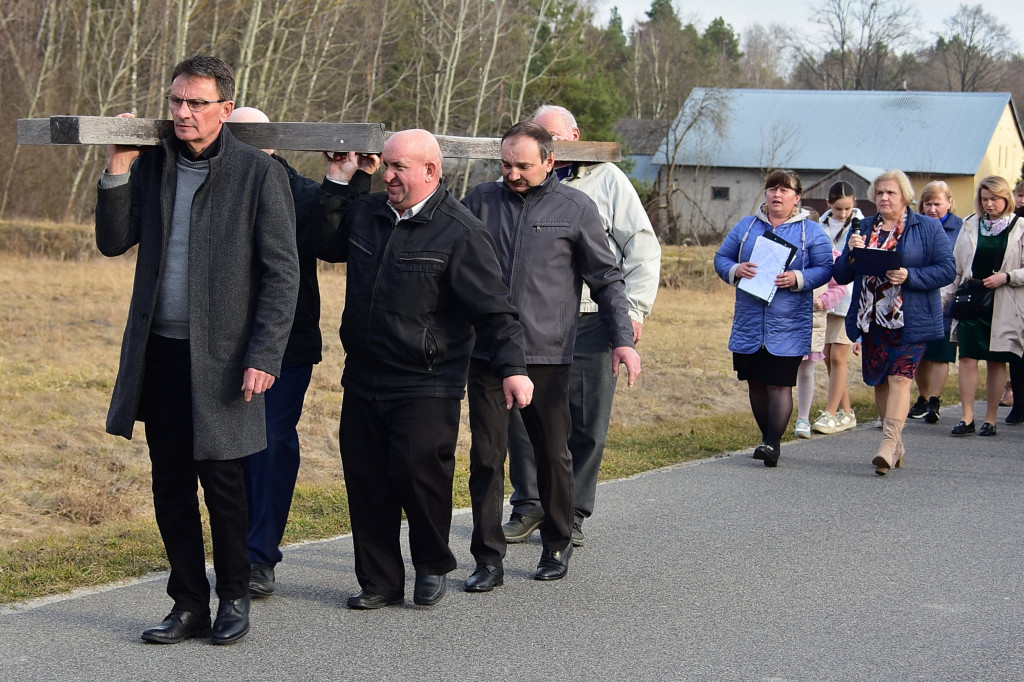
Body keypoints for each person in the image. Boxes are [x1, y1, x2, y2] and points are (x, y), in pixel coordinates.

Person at [95, 55, 299, 644]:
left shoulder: (258, 175)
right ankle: (188, 602)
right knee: (170, 482)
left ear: (225, 110)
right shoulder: (155, 164)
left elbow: (282, 274)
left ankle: (234, 595)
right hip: (160, 352)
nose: (182, 113)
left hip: (227, 359)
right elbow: (114, 241)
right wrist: (118, 163)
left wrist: (264, 354)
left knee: (225, 484)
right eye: (176, 101)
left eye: (196, 103)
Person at [316, 129, 533, 609]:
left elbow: (494, 312)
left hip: (427, 380)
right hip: (364, 375)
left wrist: (513, 368)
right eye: (386, 165)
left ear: (431, 172)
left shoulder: (461, 231)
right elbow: (322, 240)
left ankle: (431, 564)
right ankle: (380, 580)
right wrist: (340, 178)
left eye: (398, 167)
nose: (388, 175)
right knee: (367, 480)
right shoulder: (368, 213)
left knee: (419, 475)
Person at [462, 121, 640, 589]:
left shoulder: (576, 208)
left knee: (552, 454)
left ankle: (557, 543)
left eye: (523, 166)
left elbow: (606, 278)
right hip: (487, 354)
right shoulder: (480, 202)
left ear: (550, 162)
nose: (513, 174)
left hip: (548, 354)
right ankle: (488, 559)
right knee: (486, 457)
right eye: (505, 164)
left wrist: (623, 337)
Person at [503, 105, 661, 547]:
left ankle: (571, 510)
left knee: (587, 418)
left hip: (592, 318)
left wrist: (633, 311)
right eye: (542, 135)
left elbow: (642, 247)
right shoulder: (518, 182)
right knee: (523, 414)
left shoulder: (607, 180)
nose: (551, 143)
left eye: (557, 135)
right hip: (533, 321)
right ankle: (530, 504)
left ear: (576, 134)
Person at [225, 107, 338, 598]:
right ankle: (235, 545)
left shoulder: (300, 192)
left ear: (273, 145)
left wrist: (341, 178)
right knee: (227, 447)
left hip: (286, 345)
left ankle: (259, 555)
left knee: (270, 440)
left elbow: (331, 240)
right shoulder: (215, 185)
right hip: (219, 344)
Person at [833, 170, 955, 475]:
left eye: (891, 193)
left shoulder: (926, 227)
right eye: (879, 193)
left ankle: (887, 444)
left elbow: (947, 270)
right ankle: (897, 447)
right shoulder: (864, 227)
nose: (884, 198)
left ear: (905, 197)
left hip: (911, 318)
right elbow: (842, 275)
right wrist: (851, 254)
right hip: (872, 319)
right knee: (881, 380)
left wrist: (911, 276)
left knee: (901, 378)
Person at [714, 170, 833, 467]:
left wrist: (798, 277)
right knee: (755, 381)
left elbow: (826, 267)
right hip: (750, 320)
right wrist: (736, 270)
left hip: (789, 323)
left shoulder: (811, 230)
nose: (777, 195)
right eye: (772, 189)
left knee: (779, 383)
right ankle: (767, 437)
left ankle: (772, 443)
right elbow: (721, 258)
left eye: (784, 190)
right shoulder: (747, 226)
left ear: (797, 197)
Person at [942, 176, 1023, 437]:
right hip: (972, 300)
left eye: (994, 199)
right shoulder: (969, 225)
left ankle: (990, 418)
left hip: (1004, 302)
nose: (989, 204)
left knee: (997, 360)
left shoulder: (1020, 226)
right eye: (985, 199)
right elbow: (955, 269)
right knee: (967, 357)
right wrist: (945, 299)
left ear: (1006, 199)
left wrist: (1008, 277)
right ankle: (966, 417)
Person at [906, 181, 964, 424]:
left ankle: (935, 400)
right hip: (919, 294)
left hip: (946, 297)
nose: (931, 209)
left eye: (937, 203)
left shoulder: (960, 228)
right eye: (927, 204)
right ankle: (922, 396)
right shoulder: (915, 226)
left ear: (949, 203)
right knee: (921, 353)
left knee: (941, 353)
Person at [811, 181, 864, 435]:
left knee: (838, 357)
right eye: (839, 209)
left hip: (849, 298)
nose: (844, 214)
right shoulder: (819, 225)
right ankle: (847, 411)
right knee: (829, 359)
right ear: (829, 204)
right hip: (825, 297)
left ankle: (830, 413)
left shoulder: (861, 226)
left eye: (848, 208)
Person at [794, 275, 847, 437]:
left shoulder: (827, 254)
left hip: (814, 319)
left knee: (807, 369)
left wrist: (824, 301)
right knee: (782, 371)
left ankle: (803, 418)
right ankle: (775, 417)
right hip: (783, 319)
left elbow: (840, 286)